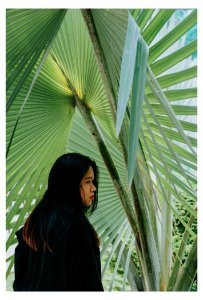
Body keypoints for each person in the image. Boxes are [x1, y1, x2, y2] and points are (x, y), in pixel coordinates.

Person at [13, 153, 104, 291]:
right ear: (70, 184)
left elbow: (20, 282)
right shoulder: (77, 227)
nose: (93, 188)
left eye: (93, 181)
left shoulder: (34, 223)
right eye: (87, 181)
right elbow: (89, 284)